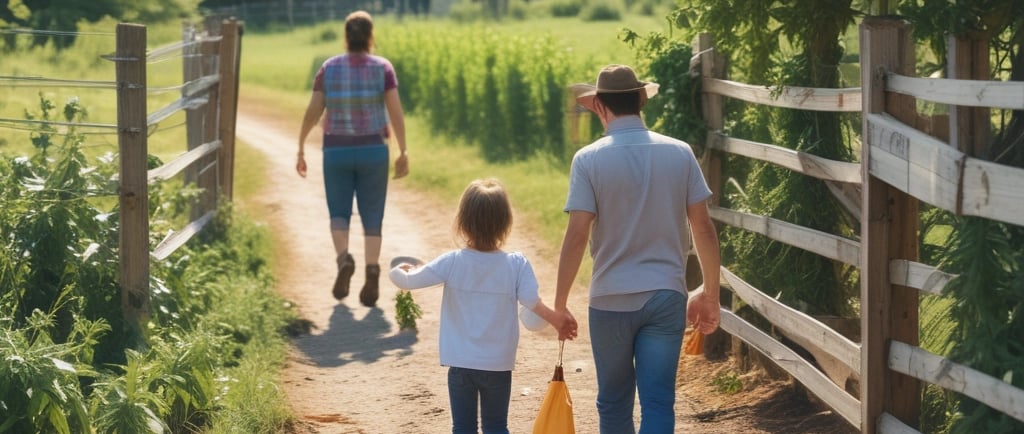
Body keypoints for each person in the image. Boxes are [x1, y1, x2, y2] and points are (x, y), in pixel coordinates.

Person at [553, 64, 722, 433]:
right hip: (665, 297)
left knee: (613, 404)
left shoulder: (588, 160)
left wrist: (560, 302)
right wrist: (709, 293)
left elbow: (577, 235)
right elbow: (704, 229)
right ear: (640, 101)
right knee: (658, 401)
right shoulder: (679, 153)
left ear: (599, 106)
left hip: (610, 299)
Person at [389, 178, 559, 434]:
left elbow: (407, 281)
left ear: (463, 222)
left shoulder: (452, 262)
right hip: (498, 365)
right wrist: (558, 320)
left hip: (461, 364)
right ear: (505, 223)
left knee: (463, 428)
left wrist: (400, 269)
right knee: (496, 426)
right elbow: (532, 302)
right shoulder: (516, 264)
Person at [296, 10, 409, 307]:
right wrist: (403, 150)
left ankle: (344, 260)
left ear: (346, 37)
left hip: (336, 151)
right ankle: (372, 270)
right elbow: (395, 112)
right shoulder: (382, 68)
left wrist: (301, 145)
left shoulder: (328, 69)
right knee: (373, 216)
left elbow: (313, 110)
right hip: (374, 150)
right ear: (371, 37)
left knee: (338, 212)